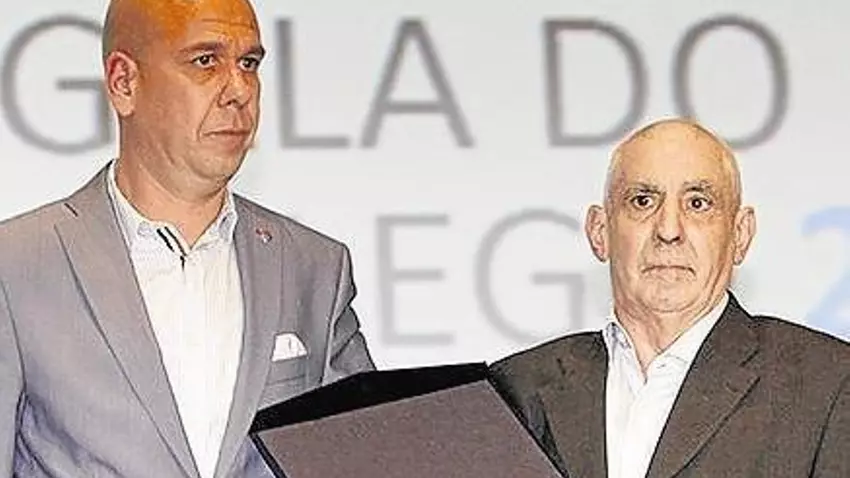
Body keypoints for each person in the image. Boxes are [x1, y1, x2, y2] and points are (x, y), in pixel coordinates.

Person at [0, 0, 374, 476]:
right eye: (205, 60)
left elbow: (365, 459)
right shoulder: (15, 267)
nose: (239, 90)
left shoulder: (314, 266)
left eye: (249, 63)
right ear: (124, 83)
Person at [489, 118, 850, 477]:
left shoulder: (828, 384)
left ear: (740, 234)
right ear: (600, 232)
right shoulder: (513, 390)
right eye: (643, 201)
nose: (668, 230)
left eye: (698, 203)